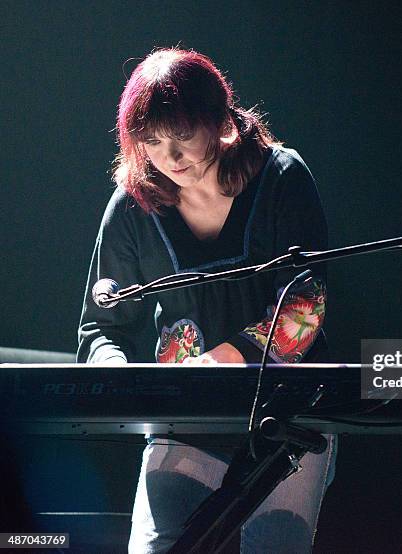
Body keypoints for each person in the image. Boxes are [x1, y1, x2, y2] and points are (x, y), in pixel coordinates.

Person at [77, 48, 336, 553]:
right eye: (152, 142)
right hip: (187, 418)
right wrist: (119, 375)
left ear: (219, 121)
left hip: (287, 416)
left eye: (182, 137)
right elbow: (99, 326)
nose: (169, 158)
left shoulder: (281, 177)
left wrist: (227, 358)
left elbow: (308, 304)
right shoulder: (132, 207)